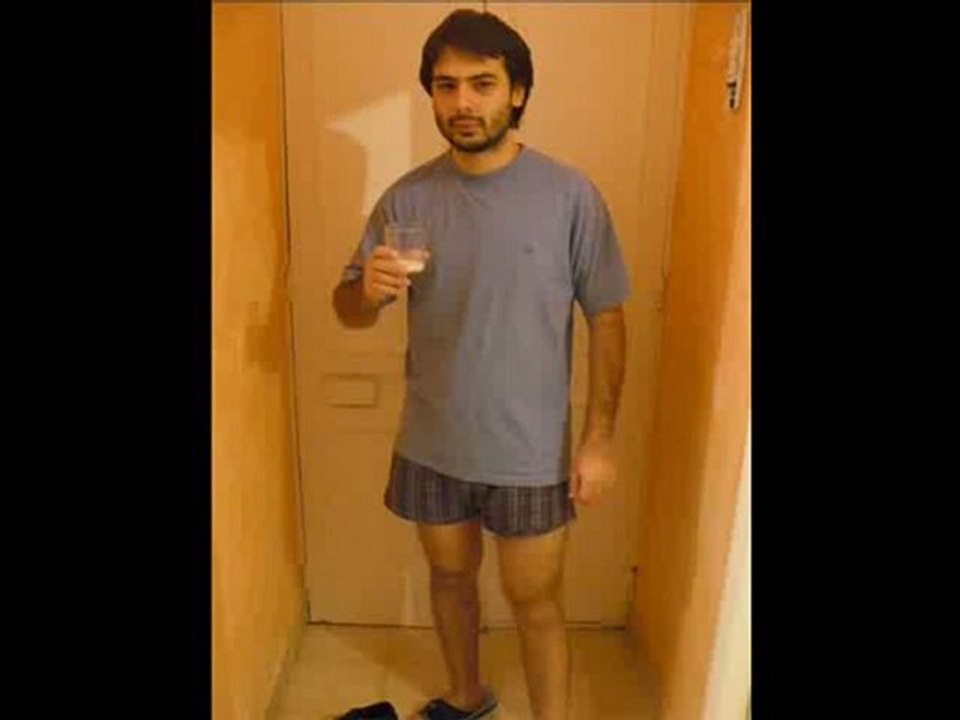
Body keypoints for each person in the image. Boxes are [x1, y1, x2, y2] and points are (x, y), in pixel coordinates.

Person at [333, 9, 630, 720]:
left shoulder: (569, 196)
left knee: (536, 599)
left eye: (482, 84)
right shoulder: (408, 198)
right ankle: (467, 697)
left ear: (517, 92)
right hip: (431, 441)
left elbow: (608, 317)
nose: (462, 102)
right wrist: (364, 292)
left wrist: (597, 439)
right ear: (432, 96)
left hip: (530, 450)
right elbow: (348, 307)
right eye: (446, 86)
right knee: (449, 577)